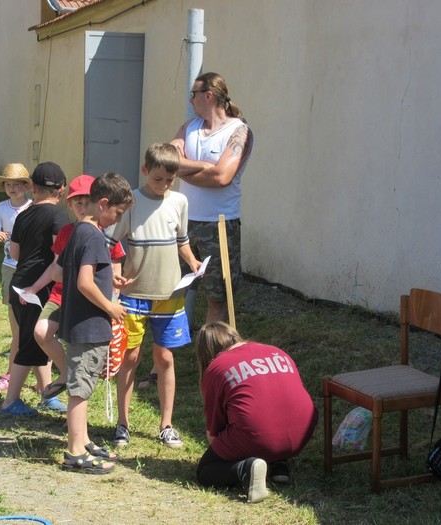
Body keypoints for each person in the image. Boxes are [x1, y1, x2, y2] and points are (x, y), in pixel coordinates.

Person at [106, 143, 201, 449]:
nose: (164, 185)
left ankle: (166, 425)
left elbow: (182, 241)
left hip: (169, 295)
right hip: (133, 294)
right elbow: (113, 244)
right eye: (158, 178)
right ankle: (123, 424)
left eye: (170, 180)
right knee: (130, 356)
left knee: (165, 357)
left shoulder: (180, 202)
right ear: (145, 170)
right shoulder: (131, 203)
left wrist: (193, 262)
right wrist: (115, 274)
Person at [56, 172, 134, 474]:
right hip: (88, 326)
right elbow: (84, 283)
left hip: (80, 322)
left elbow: (70, 271)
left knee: (83, 384)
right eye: (118, 212)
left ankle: (83, 440)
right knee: (80, 388)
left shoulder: (79, 230)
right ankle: (75, 452)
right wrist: (110, 306)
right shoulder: (93, 236)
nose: (118, 219)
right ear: (102, 204)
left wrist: (109, 278)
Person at [194, 321, 318, 503]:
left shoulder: (216, 368)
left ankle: (246, 469)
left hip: (260, 436)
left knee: (205, 471)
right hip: (304, 432)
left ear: (205, 352)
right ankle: (279, 464)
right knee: (269, 414)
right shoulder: (275, 351)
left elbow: (214, 432)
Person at [28, 174, 126, 400]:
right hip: (62, 295)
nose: (82, 207)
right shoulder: (67, 232)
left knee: (80, 384)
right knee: (41, 332)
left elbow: (112, 266)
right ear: (69, 204)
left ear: (97, 202)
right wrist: (34, 288)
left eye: (86, 201)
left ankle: (71, 378)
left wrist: (112, 281)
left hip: (89, 302)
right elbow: (57, 270)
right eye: (77, 202)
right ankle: (66, 373)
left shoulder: (105, 233)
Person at [170, 72, 254, 327]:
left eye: (193, 95)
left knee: (218, 298)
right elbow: (167, 160)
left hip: (219, 226)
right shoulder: (189, 127)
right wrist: (204, 166)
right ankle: (167, 350)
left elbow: (221, 177)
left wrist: (183, 169)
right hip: (184, 224)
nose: (190, 100)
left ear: (208, 96)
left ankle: (212, 348)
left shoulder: (238, 132)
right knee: (172, 290)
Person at [0, 162, 70, 416]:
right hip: (38, 289)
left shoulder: (23, 215)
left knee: (36, 341)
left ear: (33, 188)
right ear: (62, 189)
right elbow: (59, 257)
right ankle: (10, 402)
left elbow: (15, 253)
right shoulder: (59, 216)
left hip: (18, 284)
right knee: (31, 343)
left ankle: (46, 394)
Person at [0, 163, 32, 394]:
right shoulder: (1, 208)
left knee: (31, 320)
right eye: (8, 185)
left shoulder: (33, 207)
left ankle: (34, 373)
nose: (12, 189)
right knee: (14, 314)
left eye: (16, 185)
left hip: (30, 268)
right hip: (10, 267)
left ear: (26, 186)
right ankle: (13, 369)